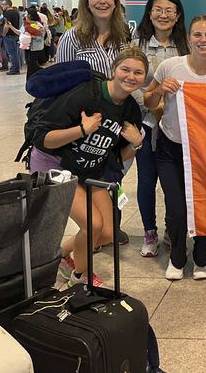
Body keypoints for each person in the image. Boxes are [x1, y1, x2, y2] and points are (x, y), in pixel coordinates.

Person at [30, 48, 146, 287]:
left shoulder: (130, 109)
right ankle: (80, 278)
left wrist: (137, 144)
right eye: (125, 69)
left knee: (108, 232)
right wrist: (82, 130)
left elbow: (115, 156)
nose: (130, 76)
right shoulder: (85, 95)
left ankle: (59, 255)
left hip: (91, 170)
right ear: (114, 70)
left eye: (138, 72)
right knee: (93, 224)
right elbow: (42, 139)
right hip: (54, 164)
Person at [144, 16, 206, 280]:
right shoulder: (170, 66)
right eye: (197, 35)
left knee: (205, 205)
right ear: (188, 38)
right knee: (176, 208)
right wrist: (160, 90)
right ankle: (176, 256)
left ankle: (202, 257)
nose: (203, 40)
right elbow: (149, 101)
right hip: (170, 149)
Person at [56, 0, 132, 244]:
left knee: (114, 171)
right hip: (87, 121)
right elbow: (61, 82)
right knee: (87, 173)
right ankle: (91, 233)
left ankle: (110, 225)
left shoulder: (124, 37)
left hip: (117, 120)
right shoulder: (72, 37)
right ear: (86, 2)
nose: (102, 1)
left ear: (115, 1)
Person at [133, 0, 189, 257]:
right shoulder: (136, 45)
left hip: (178, 127)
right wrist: (151, 105)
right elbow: (129, 82)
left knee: (174, 182)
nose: (163, 15)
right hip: (144, 124)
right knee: (146, 180)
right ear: (150, 12)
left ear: (178, 16)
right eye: (158, 9)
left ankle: (171, 228)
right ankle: (149, 231)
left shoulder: (187, 46)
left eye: (169, 10)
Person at [22, 6, 47, 78]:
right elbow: (20, 32)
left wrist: (32, 36)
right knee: (31, 65)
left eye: (27, 14)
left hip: (35, 48)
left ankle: (31, 79)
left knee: (31, 66)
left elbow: (41, 37)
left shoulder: (37, 25)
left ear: (30, 16)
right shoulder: (26, 24)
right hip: (28, 47)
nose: (25, 15)